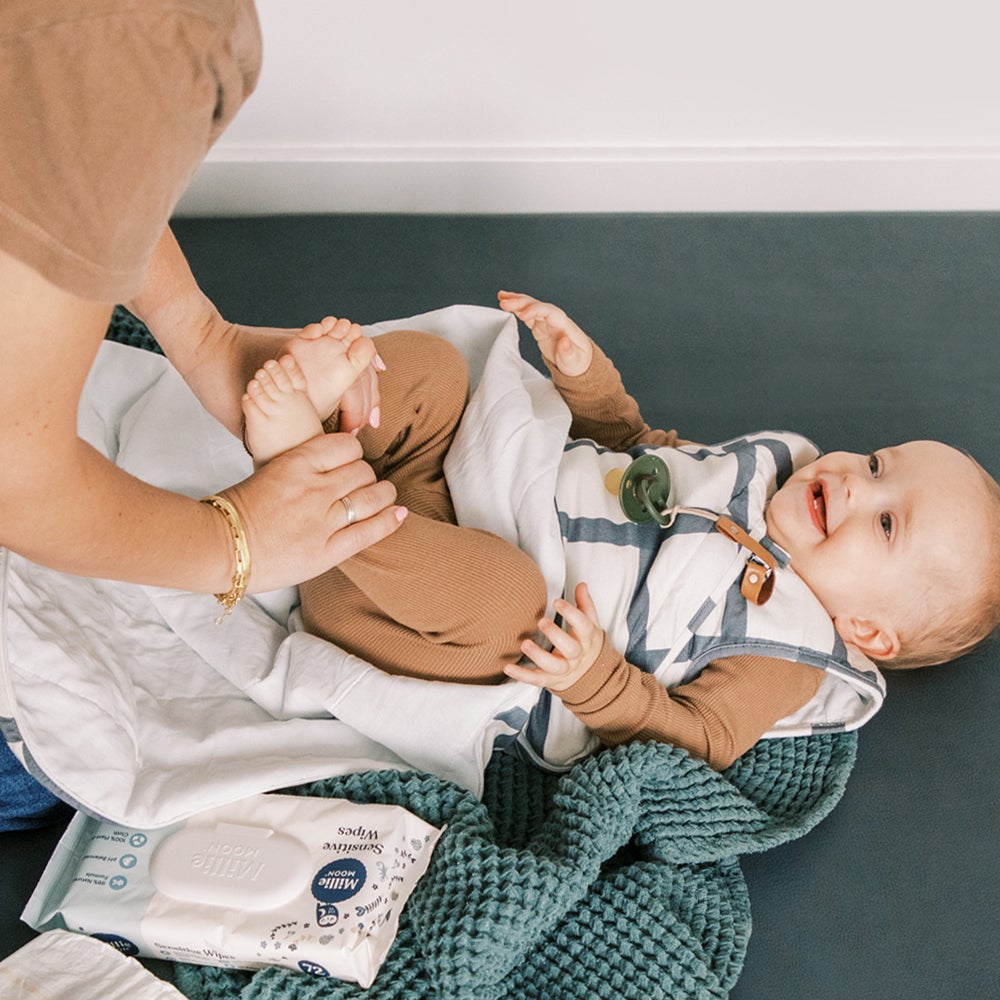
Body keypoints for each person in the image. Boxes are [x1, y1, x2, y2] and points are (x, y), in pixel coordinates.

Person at [239, 291, 1000, 771]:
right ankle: (328, 415)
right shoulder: (770, 473)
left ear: (868, 631)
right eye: (877, 463)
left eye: (887, 522)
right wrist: (587, 381)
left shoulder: (785, 649)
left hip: (419, 619)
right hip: (462, 485)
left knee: (510, 600)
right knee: (440, 375)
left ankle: (316, 496)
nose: (857, 483)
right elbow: (644, 452)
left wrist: (592, 679)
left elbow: (699, 739)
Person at [0, 1, 403, 823]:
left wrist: (198, 331)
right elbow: (15, 478)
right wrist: (235, 543)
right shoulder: (132, 35)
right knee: (48, 757)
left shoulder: (109, 39)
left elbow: (48, 159)